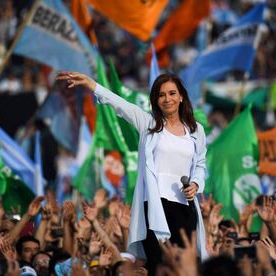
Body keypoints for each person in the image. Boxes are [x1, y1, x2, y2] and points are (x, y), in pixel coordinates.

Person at [57, 71, 208, 274]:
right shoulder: (149, 125)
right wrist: (91, 84)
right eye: (161, 95)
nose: (167, 99)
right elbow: (119, 105)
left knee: (184, 266)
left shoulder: (195, 130)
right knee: (159, 265)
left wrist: (196, 184)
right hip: (155, 205)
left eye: (172, 93)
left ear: (181, 97)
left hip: (184, 206)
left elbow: (200, 163)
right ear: (156, 100)